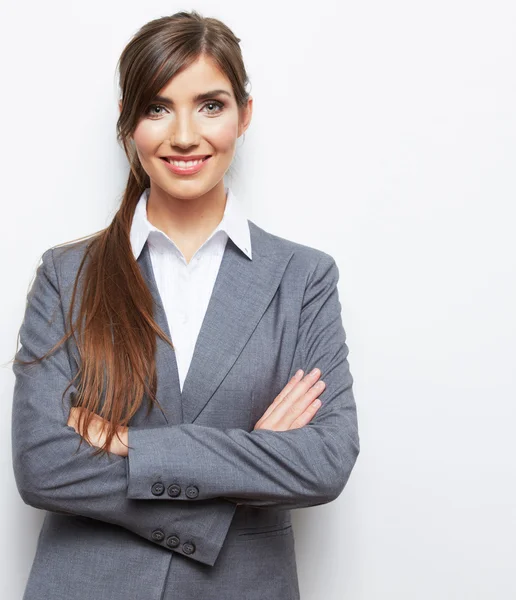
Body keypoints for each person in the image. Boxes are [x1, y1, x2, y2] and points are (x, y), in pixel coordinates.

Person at [11, 10, 360, 600]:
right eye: (156, 108)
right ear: (129, 125)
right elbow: (43, 464)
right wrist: (253, 457)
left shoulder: (303, 278)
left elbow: (325, 460)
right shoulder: (66, 275)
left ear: (244, 115)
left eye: (210, 105)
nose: (183, 135)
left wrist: (131, 444)